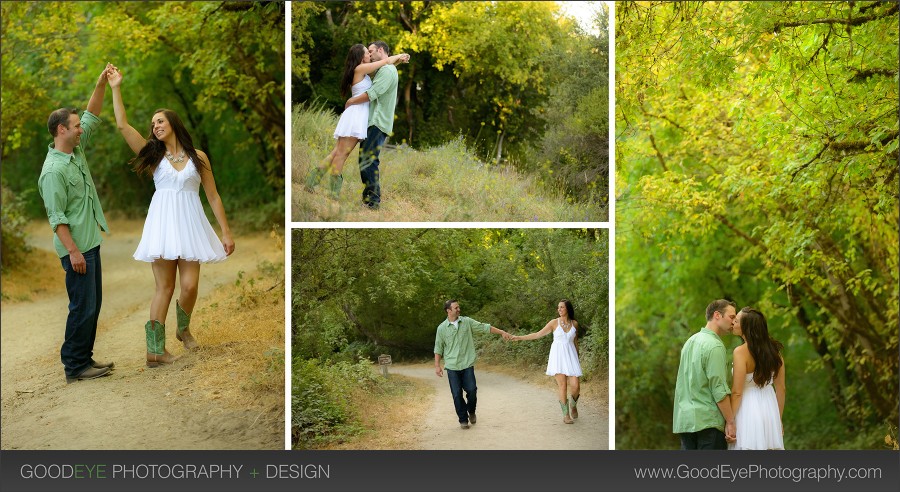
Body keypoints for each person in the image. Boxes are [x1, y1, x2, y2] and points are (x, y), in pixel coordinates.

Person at [106, 65, 235, 367]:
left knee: (189, 286)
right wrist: (115, 87)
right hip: (163, 224)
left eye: (160, 121)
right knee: (164, 287)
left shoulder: (198, 157)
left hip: (190, 224)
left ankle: (183, 329)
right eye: (153, 124)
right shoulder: (153, 157)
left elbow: (213, 196)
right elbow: (123, 126)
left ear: (173, 123)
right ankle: (154, 351)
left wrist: (225, 232)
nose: (155, 126)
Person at [38, 64, 116, 384]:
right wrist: (73, 251)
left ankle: (85, 358)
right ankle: (74, 366)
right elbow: (57, 219)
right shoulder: (53, 171)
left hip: (90, 242)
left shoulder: (75, 149)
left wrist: (100, 82)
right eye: (75, 125)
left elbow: (92, 114)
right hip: (77, 249)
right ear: (61, 131)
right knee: (81, 307)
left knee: (92, 307)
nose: (80, 127)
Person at [305, 44, 409, 199]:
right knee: (342, 154)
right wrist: (400, 55)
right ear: (362, 57)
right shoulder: (360, 69)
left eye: (371, 51)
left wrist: (398, 60)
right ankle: (333, 193)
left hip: (357, 114)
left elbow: (385, 65)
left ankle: (312, 182)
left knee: (337, 152)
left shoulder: (364, 71)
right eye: (368, 52)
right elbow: (384, 62)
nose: (370, 54)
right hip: (356, 115)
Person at [342, 41, 404, 210]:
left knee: (368, 160)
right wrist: (398, 58)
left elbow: (372, 94)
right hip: (373, 122)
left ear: (380, 50)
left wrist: (351, 100)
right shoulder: (385, 68)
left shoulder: (387, 71)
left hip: (377, 122)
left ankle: (373, 201)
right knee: (366, 160)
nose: (369, 55)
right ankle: (370, 199)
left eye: (371, 51)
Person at [434, 299, 512, 429]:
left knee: (472, 390)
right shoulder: (441, 328)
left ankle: (471, 411)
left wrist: (502, 332)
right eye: (456, 308)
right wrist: (437, 365)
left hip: (467, 364)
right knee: (457, 394)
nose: (459, 309)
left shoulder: (467, 322)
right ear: (448, 311)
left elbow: (484, 327)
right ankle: (463, 419)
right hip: (452, 366)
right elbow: (438, 348)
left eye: (458, 307)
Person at [672, 299, 737, 449]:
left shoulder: (690, 342)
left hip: (685, 422)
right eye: (731, 317)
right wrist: (731, 422)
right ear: (717, 315)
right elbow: (718, 388)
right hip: (709, 423)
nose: (733, 322)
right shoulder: (714, 345)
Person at [511, 299, 584, 424]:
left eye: (562, 307)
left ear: (568, 309)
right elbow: (538, 334)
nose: (559, 309)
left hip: (571, 358)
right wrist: (519, 337)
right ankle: (566, 415)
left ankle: (573, 405)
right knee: (562, 385)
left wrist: (577, 358)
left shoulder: (574, 324)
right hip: (558, 358)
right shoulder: (554, 323)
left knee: (576, 386)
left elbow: (575, 342)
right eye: (558, 307)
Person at [729, 307, 786, 450]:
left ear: (746, 327)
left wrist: (729, 421)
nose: (733, 323)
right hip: (770, 406)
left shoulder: (740, 352)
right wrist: (777, 419)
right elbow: (781, 389)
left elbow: (737, 392)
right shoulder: (775, 352)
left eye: (736, 321)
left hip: (747, 409)